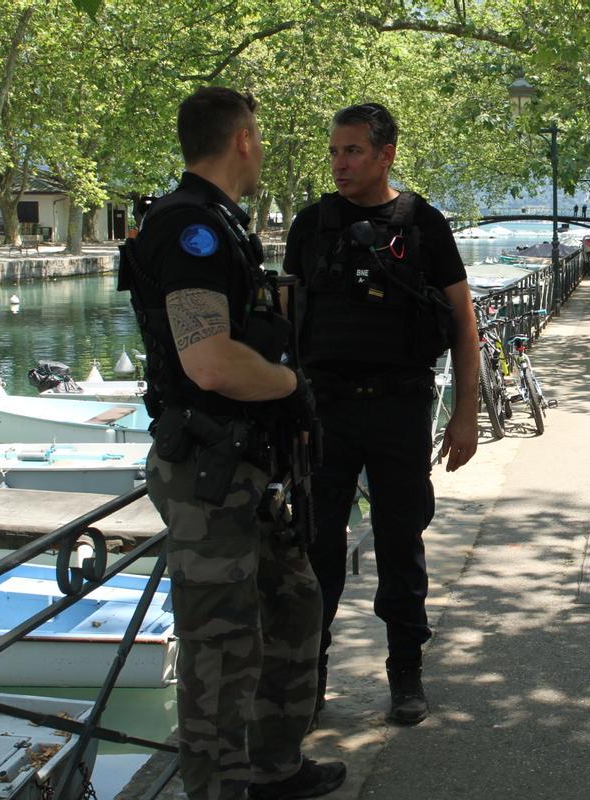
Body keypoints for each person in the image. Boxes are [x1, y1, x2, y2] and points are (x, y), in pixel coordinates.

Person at [120, 86, 347, 800]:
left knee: (295, 605)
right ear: (243, 139)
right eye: (260, 136)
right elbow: (210, 361)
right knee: (220, 652)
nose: (263, 148)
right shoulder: (191, 229)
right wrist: (287, 384)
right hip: (208, 472)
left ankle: (276, 768)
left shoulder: (218, 223)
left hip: (247, 466)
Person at [282, 102, 479, 727]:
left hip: (400, 408)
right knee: (317, 550)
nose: (340, 163)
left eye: (353, 152)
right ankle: (309, 681)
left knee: (401, 545)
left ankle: (405, 675)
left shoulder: (423, 224)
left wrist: (465, 413)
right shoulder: (311, 225)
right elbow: (285, 323)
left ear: (385, 154)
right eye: (335, 151)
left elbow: (463, 321)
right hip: (324, 412)